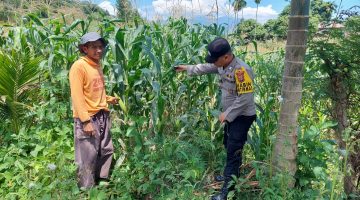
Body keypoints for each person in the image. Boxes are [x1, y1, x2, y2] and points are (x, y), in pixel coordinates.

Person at [175, 37, 256, 200]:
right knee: (229, 145)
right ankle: (231, 176)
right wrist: (187, 68)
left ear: (226, 57)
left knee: (234, 150)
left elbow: (246, 98)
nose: (214, 63)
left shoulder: (241, 70)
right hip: (232, 116)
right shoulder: (222, 64)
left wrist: (227, 114)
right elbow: (206, 67)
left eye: (215, 59)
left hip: (241, 116)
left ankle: (227, 191)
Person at [69, 32, 118, 189]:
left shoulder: (96, 65)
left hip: (102, 114)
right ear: (85, 48)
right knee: (87, 155)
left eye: (101, 47)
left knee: (106, 149)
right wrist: (85, 121)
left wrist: (109, 99)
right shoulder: (79, 66)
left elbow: (94, 90)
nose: (99, 50)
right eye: (94, 47)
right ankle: (86, 189)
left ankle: (101, 179)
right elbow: (77, 96)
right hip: (89, 117)